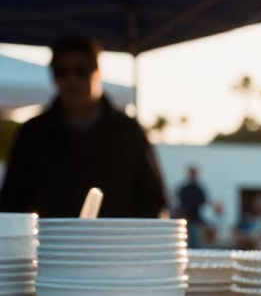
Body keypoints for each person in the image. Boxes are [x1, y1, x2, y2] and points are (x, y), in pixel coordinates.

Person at [0, 36, 167, 218]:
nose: (71, 80)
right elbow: (12, 203)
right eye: (61, 72)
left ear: (97, 72)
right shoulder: (32, 133)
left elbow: (153, 200)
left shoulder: (127, 131)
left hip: (117, 243)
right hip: (53, 244)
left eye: (81, 71)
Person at [176, 165, 209, 247]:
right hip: (186, 219)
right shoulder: (185, 188)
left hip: (195, 220)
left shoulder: (198, 189)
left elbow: (203, 203)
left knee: (195, 243)